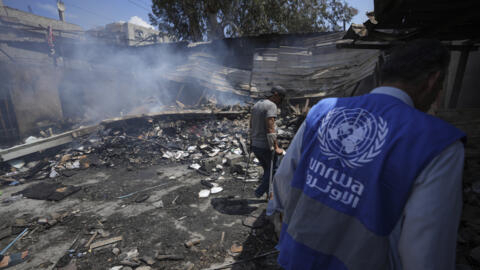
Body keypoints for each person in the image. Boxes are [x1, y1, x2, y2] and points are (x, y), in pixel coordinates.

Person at [271, 39, 466, 270]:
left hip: (295, 259)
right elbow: (425, 256)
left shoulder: (323, 110)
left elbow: (283, 183)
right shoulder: (436, 142)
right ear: (433, 80)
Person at [250, 86, 286, 198]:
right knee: (274, 169)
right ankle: (259, 191)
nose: (280, 101)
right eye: (281, 98)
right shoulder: (271, 105)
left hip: (255, 144)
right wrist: (276, 147)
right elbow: (270, 129)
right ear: (275, 95)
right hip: (265, 145)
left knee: (267, 170)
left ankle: (268, 194)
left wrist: (251, 140)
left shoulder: (257, 105)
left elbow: (251, 124)